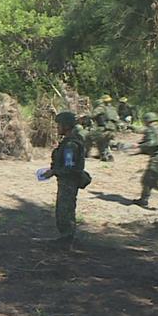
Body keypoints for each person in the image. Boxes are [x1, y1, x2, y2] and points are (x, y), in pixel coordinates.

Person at [41, 111, 88, 248]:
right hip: (67, 181)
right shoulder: (70, 141)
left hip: (68, 182)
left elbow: (69, 167)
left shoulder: (70, 145)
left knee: (64, 210)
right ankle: (67, 238)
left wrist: (53, 171)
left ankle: (67, 240)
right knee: (66, 209)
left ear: (66, 126)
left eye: (59, 125)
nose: (57, 128)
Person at [87, 95, 118, 161]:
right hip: (113, 130)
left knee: (88, 136)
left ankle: (86, 153)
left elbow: (91, 116)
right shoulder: (113, 108)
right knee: (104, 142)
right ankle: (106, 154)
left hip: (104, 129)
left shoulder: (101, 108)